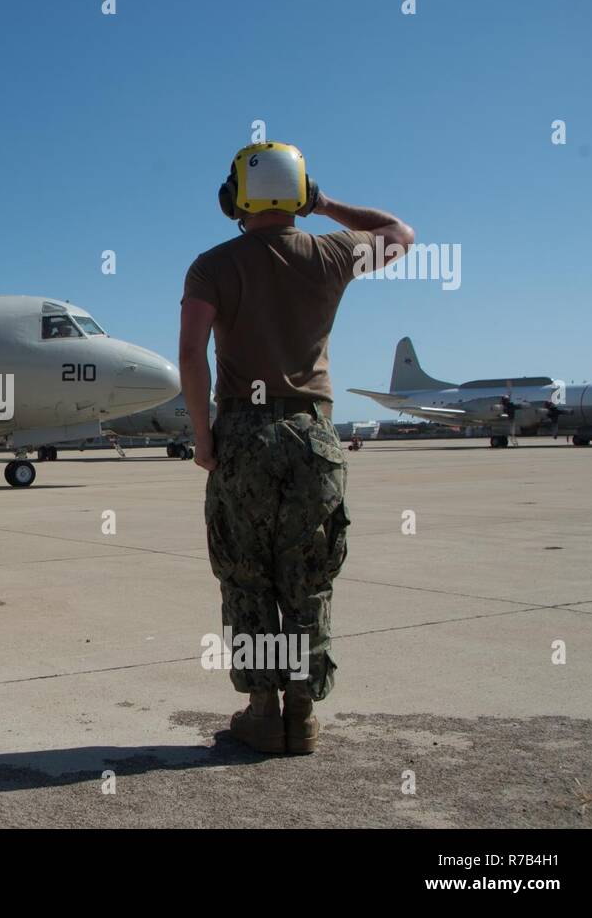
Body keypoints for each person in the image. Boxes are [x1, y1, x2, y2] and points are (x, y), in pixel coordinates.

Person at [178, 142, 413, 754]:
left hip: (243, 434)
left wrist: (203, 437)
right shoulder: (332, 253)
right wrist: (327, 204)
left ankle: (262, 712)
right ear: (300, 194)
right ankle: (303, 715)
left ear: (235, 197)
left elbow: (190, 352)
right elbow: (400, 233)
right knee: (307, 577)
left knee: (246, 576)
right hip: (314, 435)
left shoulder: (211, 266)